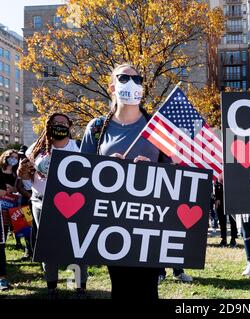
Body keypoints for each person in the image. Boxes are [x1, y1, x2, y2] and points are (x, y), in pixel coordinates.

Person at [80, 63, 169, 299]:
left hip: (149, 220)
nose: (132, 83)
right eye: (124, 78)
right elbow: (81, 175)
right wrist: (105, 170)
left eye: (138, 79)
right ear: (111, 87)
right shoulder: (98, 128)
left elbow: (173, 174)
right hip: (112, 221)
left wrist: (153, 170)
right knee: (120, 288)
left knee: (148, 290)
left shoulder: (157, 127)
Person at [17, 112, 88, 298]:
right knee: (48, 245)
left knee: (76, 244)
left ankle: (79, 286)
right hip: (41, 202)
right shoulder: (36, 149)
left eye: (64, 123)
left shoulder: (79, 148)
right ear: (48, 126)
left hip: (74, 204)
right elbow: (25, 178)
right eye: (55, 123)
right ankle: (52, 287)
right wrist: (22, 172)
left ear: (70, 126)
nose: (60, 126)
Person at [214, 175, 238, 247]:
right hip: (221, 200)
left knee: (233, 221)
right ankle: (223, 239)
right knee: (222, 221)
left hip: (232, 199)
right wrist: (217, 198)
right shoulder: (219, 173)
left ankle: (233, 239)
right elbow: (216, 185)